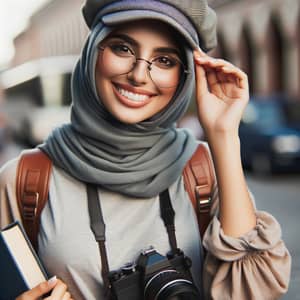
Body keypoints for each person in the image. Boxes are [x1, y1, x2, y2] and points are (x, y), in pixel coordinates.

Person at [0, 0, 291, 299]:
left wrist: (225, 136)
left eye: (165, 60)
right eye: (123, 49)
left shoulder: (203, 170)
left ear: (184, 77)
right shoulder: (25, 181)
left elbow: (254, 290)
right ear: (92, 53)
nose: (139, 75)